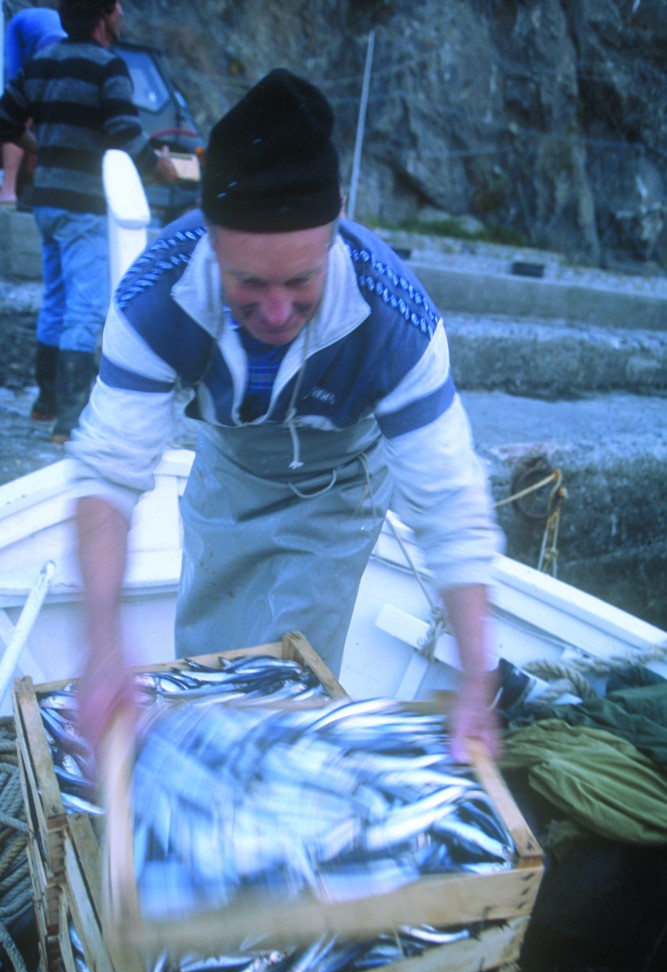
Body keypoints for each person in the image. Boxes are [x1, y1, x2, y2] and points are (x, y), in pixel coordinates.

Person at [66, 68, 504, 764]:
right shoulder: (156, 296)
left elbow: (449, 505)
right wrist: (102, 645)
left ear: (333, 229)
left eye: (301, 281)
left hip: (339, 487)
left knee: (288, 682)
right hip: (228, 472)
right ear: (210, 240)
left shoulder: (396, 319)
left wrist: (477, 678)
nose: (275, 312)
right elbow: (108, 472)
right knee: (206, 659)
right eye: (248, 282)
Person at [0, 0, 177, 441]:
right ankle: (70, 419)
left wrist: (39, 145)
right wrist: (161, 167)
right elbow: (127, 135)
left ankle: (45, 401)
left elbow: (3, 121)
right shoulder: (108, 66)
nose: (122, 14)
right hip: (83, 206)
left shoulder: (41, 62)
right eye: (117, 7)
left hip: (45, 204)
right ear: (102, 16)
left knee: (56, 298)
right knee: (86, 306)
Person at [0, 5, 67, 206]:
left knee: (42, 118)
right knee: (18, 112)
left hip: (46, 32)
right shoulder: (49, 55)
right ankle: (8, 189)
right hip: (20, 30)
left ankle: (35, 181)